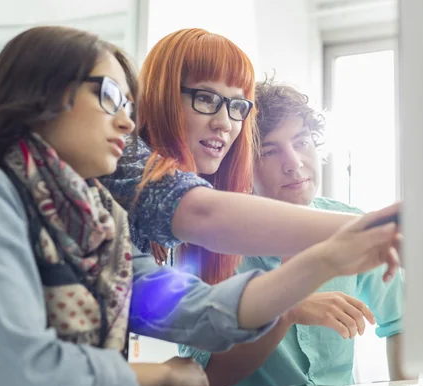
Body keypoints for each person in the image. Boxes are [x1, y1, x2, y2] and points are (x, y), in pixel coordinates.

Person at [0, 26, 401, 386]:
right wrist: (160, 375)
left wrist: (327, 259)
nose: (124, 122)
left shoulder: (103, 222)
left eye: (237, 106)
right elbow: (21, 373)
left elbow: (197, 310)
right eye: (110, 97)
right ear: (42, 94)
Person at [101, 28, 402, 287]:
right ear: (161, 96)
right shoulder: (121, 157)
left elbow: (168, 311)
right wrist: (377, 229)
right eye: (205, 98)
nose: (226, 123)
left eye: (237, 106)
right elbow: (206, 215)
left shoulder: (193, 191)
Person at [178, 78, 406, 386]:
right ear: (244, 164)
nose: (294, 164)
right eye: (270, 151)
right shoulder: (210, 240)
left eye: (301, 142)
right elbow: (202, 373)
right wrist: (286, 309)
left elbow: (402, 320)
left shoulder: (352, 224)